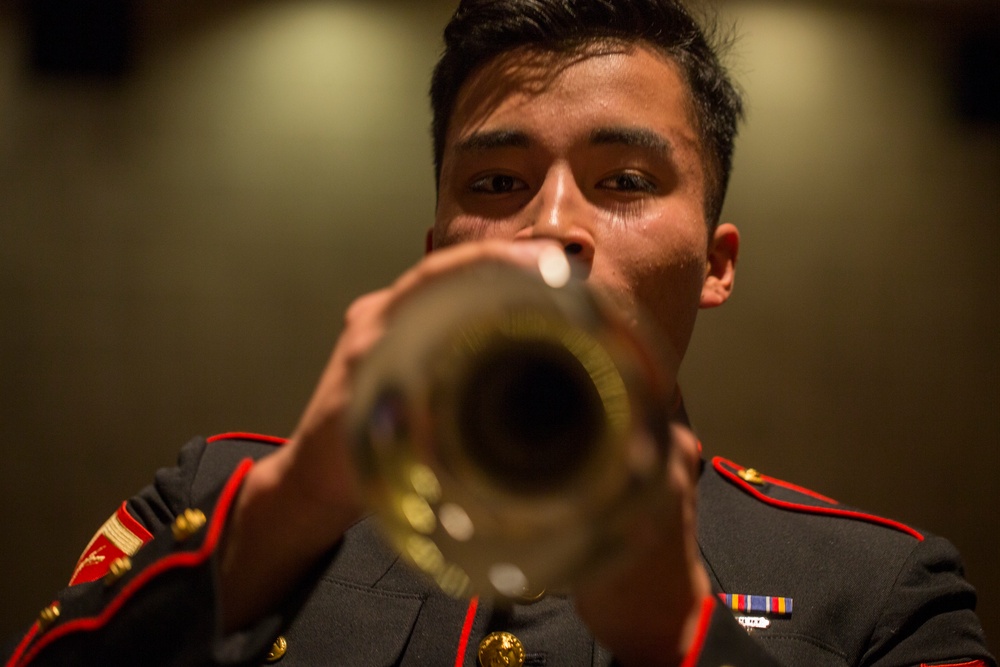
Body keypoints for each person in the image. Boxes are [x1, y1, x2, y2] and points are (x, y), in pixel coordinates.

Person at [4, 1, 994, 665]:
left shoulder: (882, 590)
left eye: (625, 182)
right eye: (495, 183)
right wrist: (287, 513)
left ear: (717, 263)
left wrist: (680, 637)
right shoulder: (219, 495)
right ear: (436, 252)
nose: (552, 225)